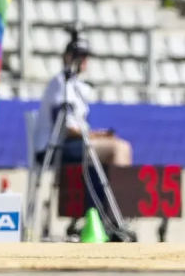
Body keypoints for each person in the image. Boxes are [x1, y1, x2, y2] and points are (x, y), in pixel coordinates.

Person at [34, 38, 133, 233]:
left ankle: (106, 213)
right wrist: (94, 136)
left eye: (86, 57)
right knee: (119, 148)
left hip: (71, 144)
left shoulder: (75, 85)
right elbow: (66, 126)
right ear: (68, 57)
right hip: (55, 147)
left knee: (116, 145)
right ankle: (113, 218)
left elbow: (75, 126)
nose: (84, 62)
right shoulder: (60, 83)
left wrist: (96, 135)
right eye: (80, 57)